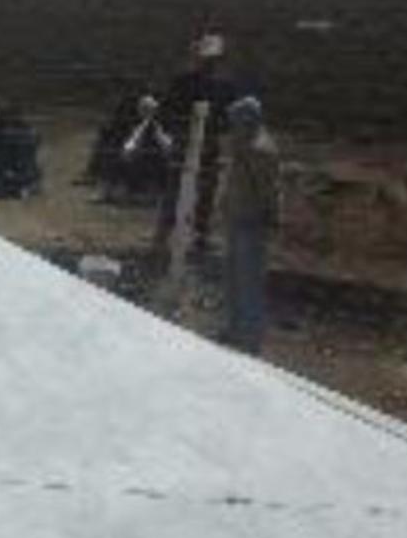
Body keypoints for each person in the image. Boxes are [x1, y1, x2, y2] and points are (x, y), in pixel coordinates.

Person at [156, 33, 239, 255]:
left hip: (209, 143)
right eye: (205, 58)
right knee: (175, 187)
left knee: (206, 190)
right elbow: (168, 110)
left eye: (213, 59)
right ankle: (163, 234)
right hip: (185, 141)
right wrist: (180, 129)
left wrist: (217, 129)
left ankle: (200, 235)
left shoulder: (225, 86)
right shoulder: (183, 82)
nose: (209, 63)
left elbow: (228, 117)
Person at [220, 96, 280, 354]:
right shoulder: (243, 145)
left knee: (248, 281)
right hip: (236, 217)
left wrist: (269, 218)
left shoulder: (259, 150)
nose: (232, 127)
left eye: (235, 122)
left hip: (251, 222)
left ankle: (249, 339)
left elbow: (268, 191)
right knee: (234, 277)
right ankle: (234, 328)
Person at [106, 94, 173, 201]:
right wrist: (126, 150)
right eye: (142, 109)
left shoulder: (159, 124)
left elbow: (166, 145)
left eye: (148, 109)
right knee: (114, 158)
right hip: (136, 155)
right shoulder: (135, 122)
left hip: (153, 157)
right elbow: (132, 139)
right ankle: (109, 192)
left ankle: (144, 193)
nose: (143, 112)